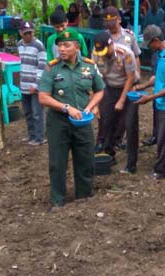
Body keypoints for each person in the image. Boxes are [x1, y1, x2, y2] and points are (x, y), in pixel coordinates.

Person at [38, 30, 105, 210]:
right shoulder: (52, 68)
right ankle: (57, 200)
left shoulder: (89, 66)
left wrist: (90, 107)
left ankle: (84, 195)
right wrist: (66, 108)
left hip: (82, 122)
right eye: (59, 45)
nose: (62, 49)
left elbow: (99, 90)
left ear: (77, 47)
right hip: (58, 123)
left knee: (85, 159)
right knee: (57, 162)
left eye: (66, 45)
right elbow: (43, 97)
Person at [133, 25, 165, 179]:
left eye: (149, 44)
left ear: (156, 40)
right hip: (163, 102)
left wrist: (150, 97)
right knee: (164, 136)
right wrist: (144, 86)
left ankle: (162, 170)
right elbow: (160, 77)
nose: (149, 47)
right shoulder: (163, 53)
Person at [92, 32, 140, 173]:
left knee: (130, 125)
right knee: (106, 120)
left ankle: (131, 164)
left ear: (111, 44)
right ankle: (109, 154)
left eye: (105, 51)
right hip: (109, 88)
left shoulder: (126, 53)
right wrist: (95, 103)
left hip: (129, 89)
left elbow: (130, 78)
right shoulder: (96, 53)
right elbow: (96, 78)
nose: (102, 54)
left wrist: (121, 100)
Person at [17, 20, 48, 146]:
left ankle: (40, 137)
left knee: (37, 113)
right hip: (24, 83)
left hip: (35, 85)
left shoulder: (39, 45)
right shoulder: (19, 44)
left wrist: (36, 84)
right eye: (26, 33)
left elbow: (42, 66)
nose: (29, 35)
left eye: (30, 33)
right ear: (21, 33)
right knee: (28, 113)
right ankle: (31, 135)